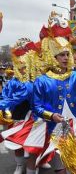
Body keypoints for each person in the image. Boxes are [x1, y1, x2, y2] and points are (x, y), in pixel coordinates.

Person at [32, 12, 76, 174]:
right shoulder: (42, 81)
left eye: (67, 54)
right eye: (61, 55)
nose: (65, 57)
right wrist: (51, 115)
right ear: (52, 57)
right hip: (55, 130)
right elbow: (36, 107)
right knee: (61, 169)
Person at [0, 38, 40, 174]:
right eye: (20, 67)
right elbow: (5, 96)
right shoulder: (12, 83)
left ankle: (36, 164)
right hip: (17, 115)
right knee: (17, 143)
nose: (23, 70)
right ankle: (19, 165)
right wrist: (5, 108)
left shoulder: (35, 82)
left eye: (25, 67)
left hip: (33, 117)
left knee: (32, 145)